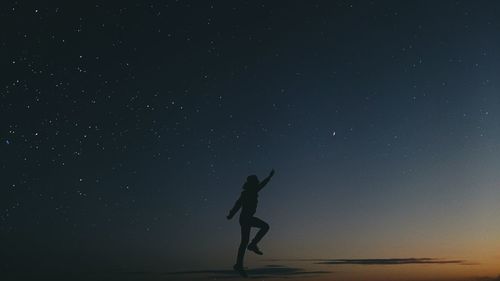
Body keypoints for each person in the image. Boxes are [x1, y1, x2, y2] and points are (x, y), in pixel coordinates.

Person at [227, 169, 275, 277]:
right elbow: (238, 204)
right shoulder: (249, 192)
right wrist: (231, 214)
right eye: (256, 181)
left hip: (246, 218)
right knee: (264, 227)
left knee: (245, 241)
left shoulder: (251, 191)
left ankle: (240, 262)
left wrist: (231, 215)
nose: (257, 183)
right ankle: (252, 246)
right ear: (252, 183)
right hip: (245, 218)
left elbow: (237, 204)